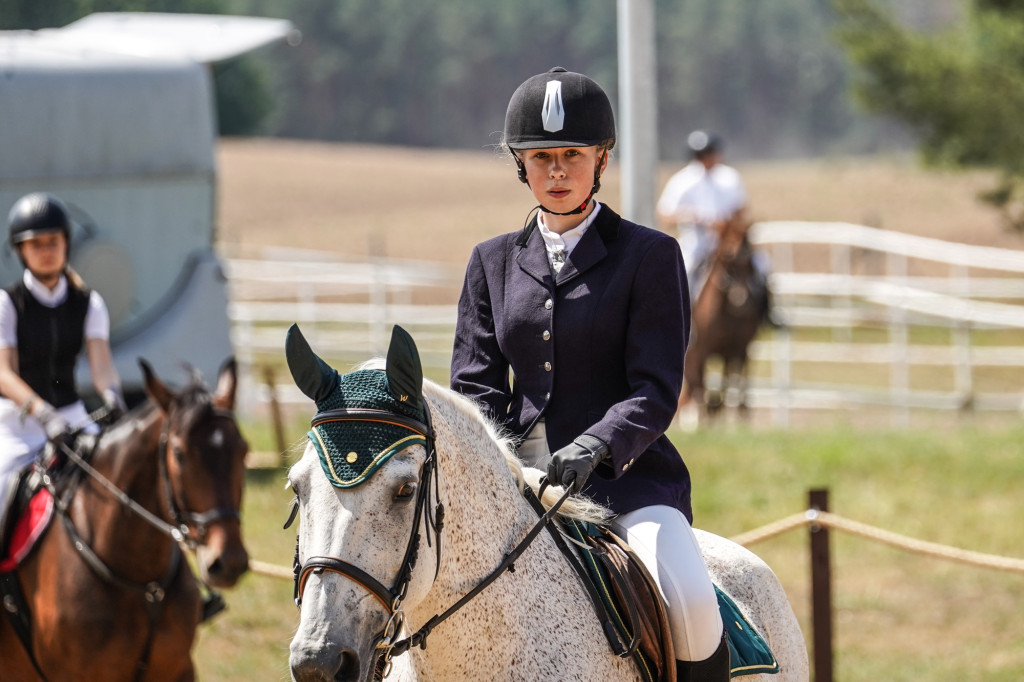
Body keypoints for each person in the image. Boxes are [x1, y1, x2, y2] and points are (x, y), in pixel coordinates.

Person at [451, 67, 730, 679]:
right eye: (542, 156)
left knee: (686, 599)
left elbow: (656, 389)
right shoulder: (491, 262)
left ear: (601, 159)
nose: (557, 171)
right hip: (516, 486)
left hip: (625, 487)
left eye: (572, 155)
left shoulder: (650, 255)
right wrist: (500, 468)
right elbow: (474, 389)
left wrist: (598, 445)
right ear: (520, 164)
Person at [0, 192, 126, 516]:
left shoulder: (89, 303)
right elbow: (5, 373)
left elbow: (102, 366)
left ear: (66, 243)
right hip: (18, 426)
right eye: (36, 243)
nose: (46, 251)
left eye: (52, 241)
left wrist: (113, 397)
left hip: (72, 417)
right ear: (20, 250)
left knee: (119, 480)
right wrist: (42, 413)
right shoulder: (8, 304)